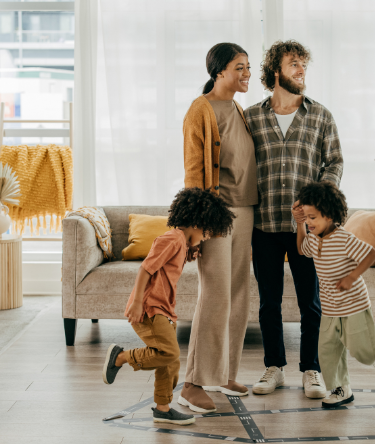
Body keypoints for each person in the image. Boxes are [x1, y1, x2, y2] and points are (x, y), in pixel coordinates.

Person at [243, 40, 344, 398]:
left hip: (308, 227)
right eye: (294, 64)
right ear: (276, 71)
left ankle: (312, 369)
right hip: (265, 223)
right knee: (268, 302)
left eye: (304, 64)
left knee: (310, 302)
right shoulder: (251, 117)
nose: (301, 70)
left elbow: (334, 163)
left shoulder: (320, 116)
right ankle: (274, 367)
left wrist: (316, 202)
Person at [102, 188, 235, 425]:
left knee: (170, 362)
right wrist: (136, 302)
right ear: (196, 222)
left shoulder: (181, 243)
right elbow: (146, 268)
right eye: (205, 232)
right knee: (170, 353)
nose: (205, 238)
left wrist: (190, 249)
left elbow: (170, 265)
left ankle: (162, 409)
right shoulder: (172, 239)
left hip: (164, 310)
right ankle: (120, 358)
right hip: (150, 309)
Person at [181, 42, 258, 413]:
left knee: (239, 295)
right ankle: (193, 382)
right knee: (215, 296)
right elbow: (195, 172)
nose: (246, 74)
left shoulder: (238, 109)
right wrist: (195, 228)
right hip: (218, 213)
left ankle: (224, 372)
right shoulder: (202, 110)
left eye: (248, 67)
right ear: (219, 71)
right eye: (239, 67)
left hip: (246, 210)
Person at [292, 181, 375, 408]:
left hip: (354, 304)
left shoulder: (343, 239)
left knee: (366, 353)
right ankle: (341, 388)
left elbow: (371, 253)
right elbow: (301, 249)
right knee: (327, 352)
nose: (309, 222)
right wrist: (300, 225)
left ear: (329, 215)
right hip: (330, 307)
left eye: (312, 218)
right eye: (307, 217)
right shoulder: (314, 238)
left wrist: (352, 278)